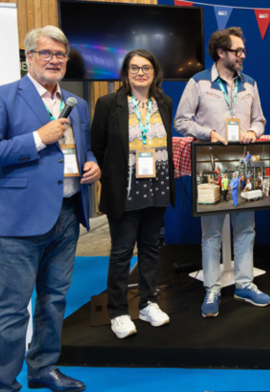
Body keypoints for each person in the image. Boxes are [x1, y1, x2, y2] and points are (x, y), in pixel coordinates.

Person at [0, 25, 100, 392]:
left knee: (54, 300)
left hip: (68, 215)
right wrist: (38, 139)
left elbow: (79, 150)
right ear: (29, 57)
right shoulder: (2, 97)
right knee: (11, 309)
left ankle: (42, 368)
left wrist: (91, 163)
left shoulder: (78, 103)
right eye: (47, 53)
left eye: (61, 54)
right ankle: (2, 383)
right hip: (19, 223)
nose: (55, 60)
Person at [174, 27, 270, 317]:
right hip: (211, 163)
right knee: (212, 232)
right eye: (237, 51)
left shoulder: (250, 84)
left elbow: (260, 119)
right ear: (220, 53)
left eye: (243, 51)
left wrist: (254, 131)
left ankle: (244, 284)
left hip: (244, 162)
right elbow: (181, 121)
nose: (243, 55)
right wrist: (208, 133)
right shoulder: (198, 82)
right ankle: (212, 288)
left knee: (246, 227)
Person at [91, 49, 175, 339]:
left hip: (157, 185)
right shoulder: (108, 103)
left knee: (151, 248)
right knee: (122, 251)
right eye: (135, 68)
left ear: (155, 72)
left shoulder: (164, 102)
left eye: (146, 68)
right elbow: (98, 146)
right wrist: (113, 176)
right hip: (124, 189)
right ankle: (118, 312)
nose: (141, 72)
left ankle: (149, 302)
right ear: (126, 73)